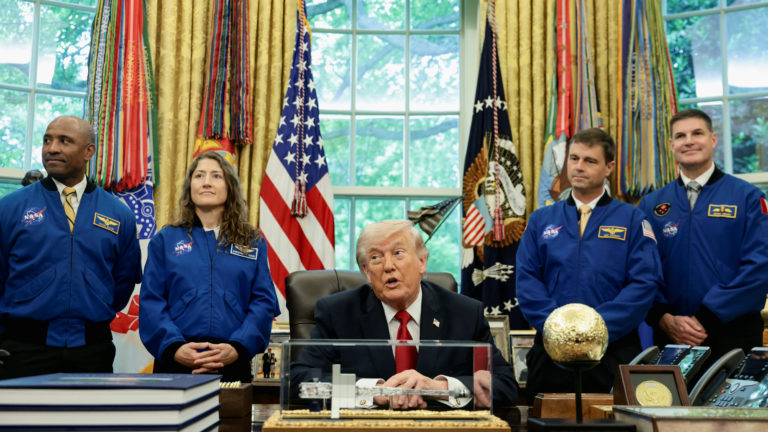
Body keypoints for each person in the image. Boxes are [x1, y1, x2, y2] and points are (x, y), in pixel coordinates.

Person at [291, 219, 518, 409]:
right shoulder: (338, 313)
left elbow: (506, 385)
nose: (388, 266)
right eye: (376, 258)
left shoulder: (465, 313)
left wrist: (436, 388)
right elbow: (301, 383)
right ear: (368, 274)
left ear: (421, 262)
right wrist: (374, 391)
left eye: (398, 253)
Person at [516, 128, 662, 399]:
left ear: (609, 167)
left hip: (612, 350)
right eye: (574, 158)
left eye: (590, 161)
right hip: (551, 352)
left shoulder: (632, 219)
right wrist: (559, 330)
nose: (579, 167)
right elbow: (527, 281)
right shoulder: (541, 220)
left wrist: (595, 329)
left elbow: (644, 283)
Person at [0, 116, 142, 379]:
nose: (52, 148)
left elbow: (122, 284)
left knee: (85, 422)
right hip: (22, 350)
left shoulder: (118, 214)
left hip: (91, 352)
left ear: (89, 151)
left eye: (64, 141)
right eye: (47, 140)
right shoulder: (9, 208)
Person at [639, 108, 768, 366]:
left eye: (697, 133)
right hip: (670, 336)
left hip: (733, 334)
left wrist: (707, 317)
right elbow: (642, 269)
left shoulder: (749, 198)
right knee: (668, 406)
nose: (689, 141)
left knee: (732, 407)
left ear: (713, 139)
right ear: (671, 144)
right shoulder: (651, 205)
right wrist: (662, 317)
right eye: (681, 135)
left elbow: (760, 266)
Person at [139, 152, 280, 382]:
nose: (206, 182)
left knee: (231, 419)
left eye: (216, 176)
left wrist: (237, 348)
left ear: (230, 187)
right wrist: (174, 348)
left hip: (232, 363)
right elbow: (151, 302)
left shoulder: (251, 241)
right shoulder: (165, 240)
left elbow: (263, 302)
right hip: (176, 362)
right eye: (199, 176)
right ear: (189, 187)